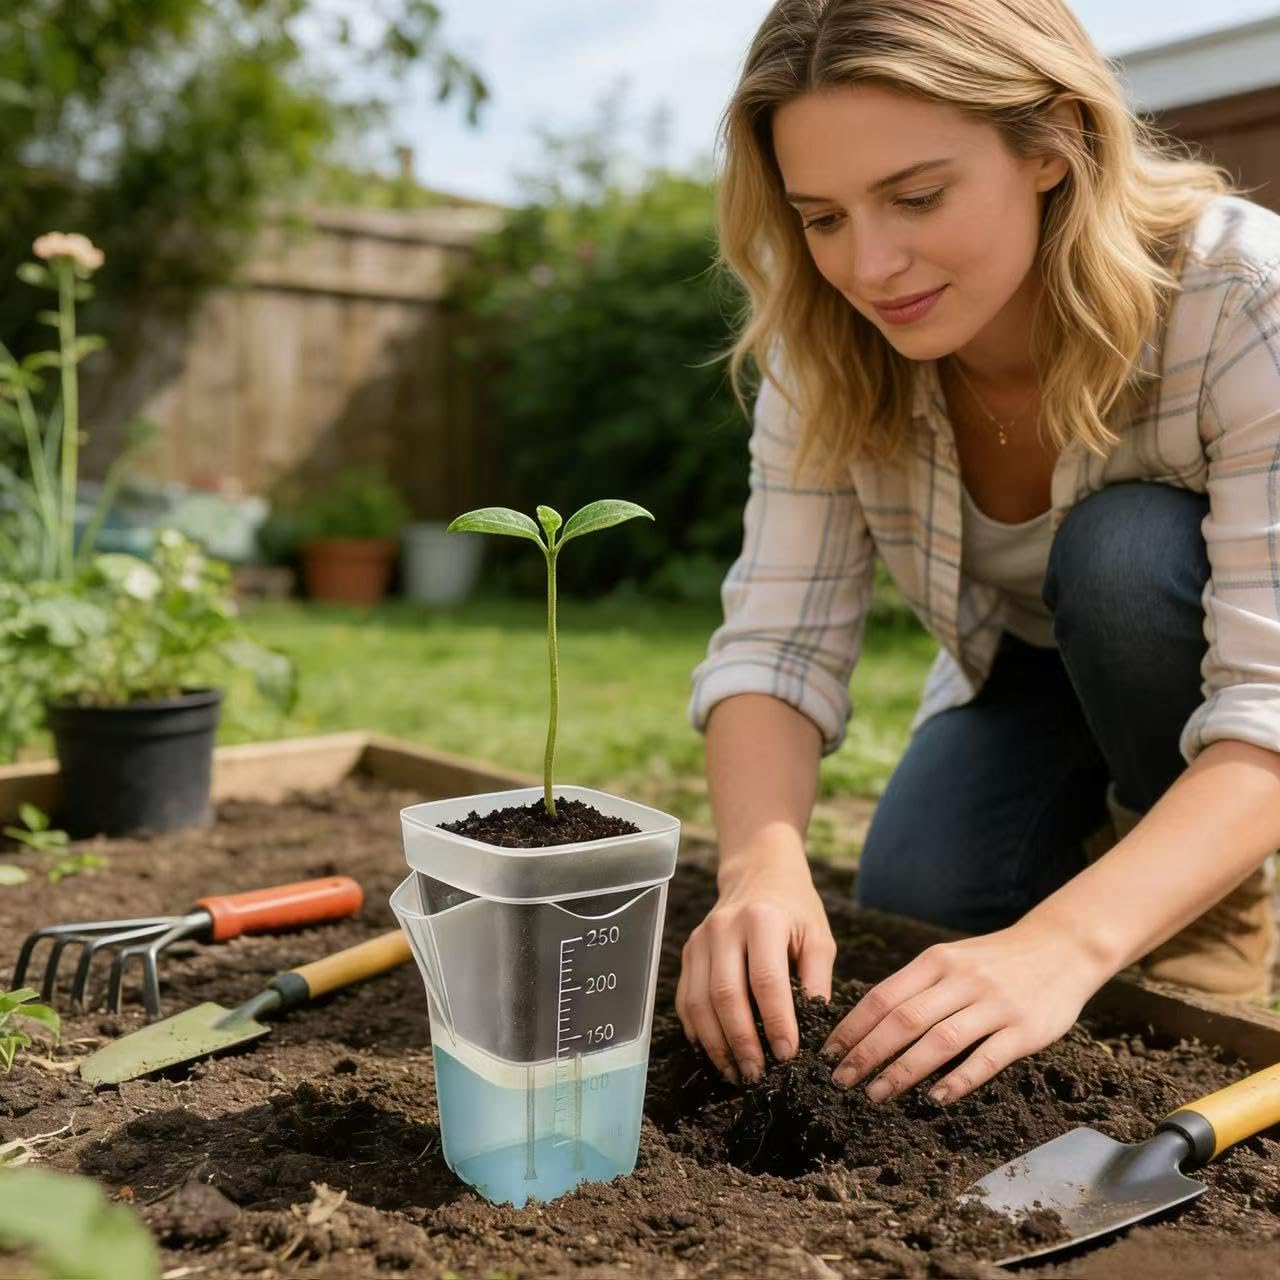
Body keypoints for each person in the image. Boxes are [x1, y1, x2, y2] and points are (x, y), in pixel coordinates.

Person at [678, 0, 1280, 1108]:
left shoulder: (1243, 300)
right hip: (1020, 665)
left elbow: (1270, 700)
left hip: (1183, 645)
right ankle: (1113, 836)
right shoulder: (823, 345)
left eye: (915, 197)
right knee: (920, 891)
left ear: (1051, 142)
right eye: (820, 217)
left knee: (1120, 552)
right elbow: (774, 638)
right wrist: (758, 866)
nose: (869, 263)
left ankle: (1210, 890)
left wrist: (1065, 944)